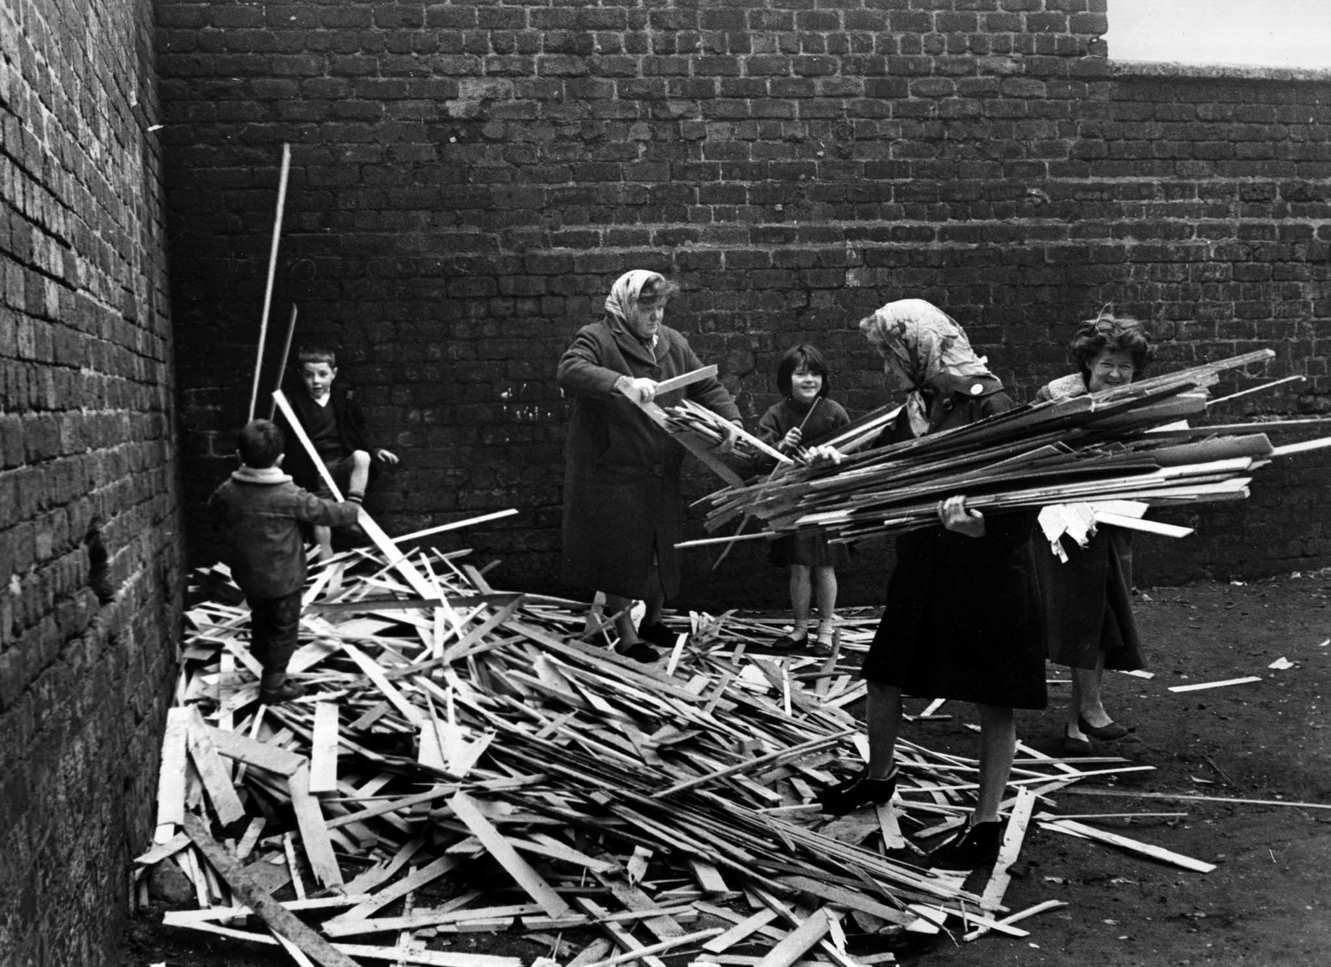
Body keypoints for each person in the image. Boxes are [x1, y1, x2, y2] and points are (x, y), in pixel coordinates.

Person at [814, 298, 1046, 872]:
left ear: (920, 347)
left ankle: (986, 823)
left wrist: (980, 525)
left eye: (892, 357)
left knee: (995, 698)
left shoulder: (988, 402)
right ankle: (878, 777)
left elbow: (1030, 498)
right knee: (885, 674)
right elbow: (886, 459)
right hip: (926, 568)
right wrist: (835, 461)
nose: (888, 371)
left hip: (988, 574)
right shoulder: (922, 402)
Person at [557, 269, 742, 663]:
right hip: (615, 471)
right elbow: (570, 370)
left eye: (660, 307)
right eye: (647, 309)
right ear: (625, 307)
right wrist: (622, 382)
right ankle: (626, 635)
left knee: (662, 550)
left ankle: (653, 620)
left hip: (661, 468)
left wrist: (732, 422)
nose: (656, 316)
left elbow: (707, 386)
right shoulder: (598, 337)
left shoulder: (672, 342)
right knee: (622, 555)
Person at [1037, 311, 1154, 755]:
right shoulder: (1056, 400)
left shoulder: (1143, 404)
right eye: (1107, 363)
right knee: (1080, 617)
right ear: (1088, 362)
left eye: (1125, 366)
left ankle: (1078, 723)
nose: (1116, 373)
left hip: (1115, 520)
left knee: (1104, 618)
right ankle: (1089, 710)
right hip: (1065, 526)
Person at [209, 419, 361, 703]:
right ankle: (273, 685)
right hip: (284, 580)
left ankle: (257, 656)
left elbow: (214, 517)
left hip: (248, 575)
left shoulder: (226, 492)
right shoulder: (290, 496)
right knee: (283, 629)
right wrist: (354, 502)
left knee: (260, 616)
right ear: (280, 458)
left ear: (239, 456)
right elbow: (327, 514)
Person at [755, 343, 851, 650]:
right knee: (799, 566)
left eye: (815, 374)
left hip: (826, 499)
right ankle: (799, 628)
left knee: (824, 566)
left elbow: (855, 453)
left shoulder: (834, 412)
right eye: (800, 374)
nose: (809, 380)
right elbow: (759, 459)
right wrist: (782, 444)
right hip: (791, 502)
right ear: (787, 379)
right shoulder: (777, 414)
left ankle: (825, 628)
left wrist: (834, 458)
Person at [276, 345, 399, 559]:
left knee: (362, 457)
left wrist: (375, 450)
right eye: (309, 375)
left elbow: (359, 432)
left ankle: (350, 513)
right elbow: (285, 439)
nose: (316, 381)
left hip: (340, 464)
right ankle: (327, 565)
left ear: (333, 374)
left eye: (322, 374)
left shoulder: (342, 400)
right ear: (300, 375)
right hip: (313, 469)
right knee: (321, 514)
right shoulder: (293, 403)